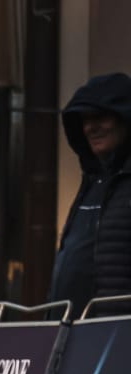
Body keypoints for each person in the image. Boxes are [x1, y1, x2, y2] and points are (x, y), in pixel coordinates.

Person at [48, 72, 131, 317]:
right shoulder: (94, 183)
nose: (90, 128)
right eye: (84, 120)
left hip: (116, 337)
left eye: (100, 117)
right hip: (79, 335)